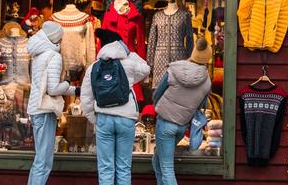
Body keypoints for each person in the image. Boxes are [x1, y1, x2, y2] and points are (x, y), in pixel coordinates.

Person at [79, 26, 150, 185]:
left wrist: (95, 119)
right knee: (123, 167)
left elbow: (86, 98)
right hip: (126, 119)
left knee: (106, 168)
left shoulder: (94, 67)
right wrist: (130, 53)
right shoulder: (129, 64)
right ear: (119, 45)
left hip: (104, 118)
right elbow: (146, 69)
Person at [149, 38, 212, 185]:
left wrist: (158, 107)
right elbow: (200, 105)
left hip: (165, 123)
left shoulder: (174, 69)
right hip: (182, 125)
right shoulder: (207, 82)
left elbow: (157, 93)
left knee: (167, 168)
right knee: (157, 160)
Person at [26, 21, 77, 185]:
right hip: (45, 110)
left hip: (37, 108)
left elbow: (45, 86)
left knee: (39, 159)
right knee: (44, 161)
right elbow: (53, 89)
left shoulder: (39, 55)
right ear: (55, 38)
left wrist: (75, 90)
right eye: (60, 37)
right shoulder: (54, 56)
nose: (61, 40)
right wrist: (67, 82)